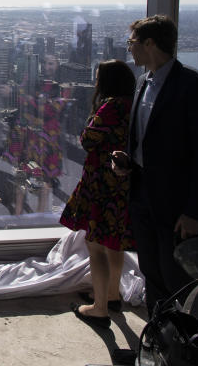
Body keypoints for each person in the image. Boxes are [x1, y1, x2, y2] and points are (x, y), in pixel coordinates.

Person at [115, 15, 198, 315]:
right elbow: (146, 140)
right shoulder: (142, 83)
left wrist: (195, 212)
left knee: (180, 280)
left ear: (150, 43)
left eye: (133, 43)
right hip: (143, 198)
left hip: (179, 207)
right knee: (152, 273)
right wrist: (128, 160)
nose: (130, 50)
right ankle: (160, 344)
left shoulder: (196, 86)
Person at [59, 59, 136, 328]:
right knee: (113, 243)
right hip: (122, 184)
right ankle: (112, 294)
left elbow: (88, 139)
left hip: (102, 184)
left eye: (98, 77)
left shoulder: (111, 106)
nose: (95, 82)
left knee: (96, 246)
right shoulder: (134, 103)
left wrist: (90, 122)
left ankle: (99, 307)